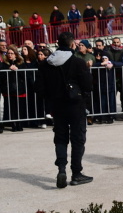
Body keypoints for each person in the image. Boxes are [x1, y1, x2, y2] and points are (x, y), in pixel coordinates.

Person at [36, 31, 94, 188]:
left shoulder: (45, 64)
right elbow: (88, 85)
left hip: (57, 106)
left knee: (60, 138)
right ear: (72, 44)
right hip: (76, 105)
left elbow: (39, 89)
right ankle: (76, 173)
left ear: (57, 44)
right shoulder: (78, 62)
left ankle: (61, 170)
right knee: (78, 138)